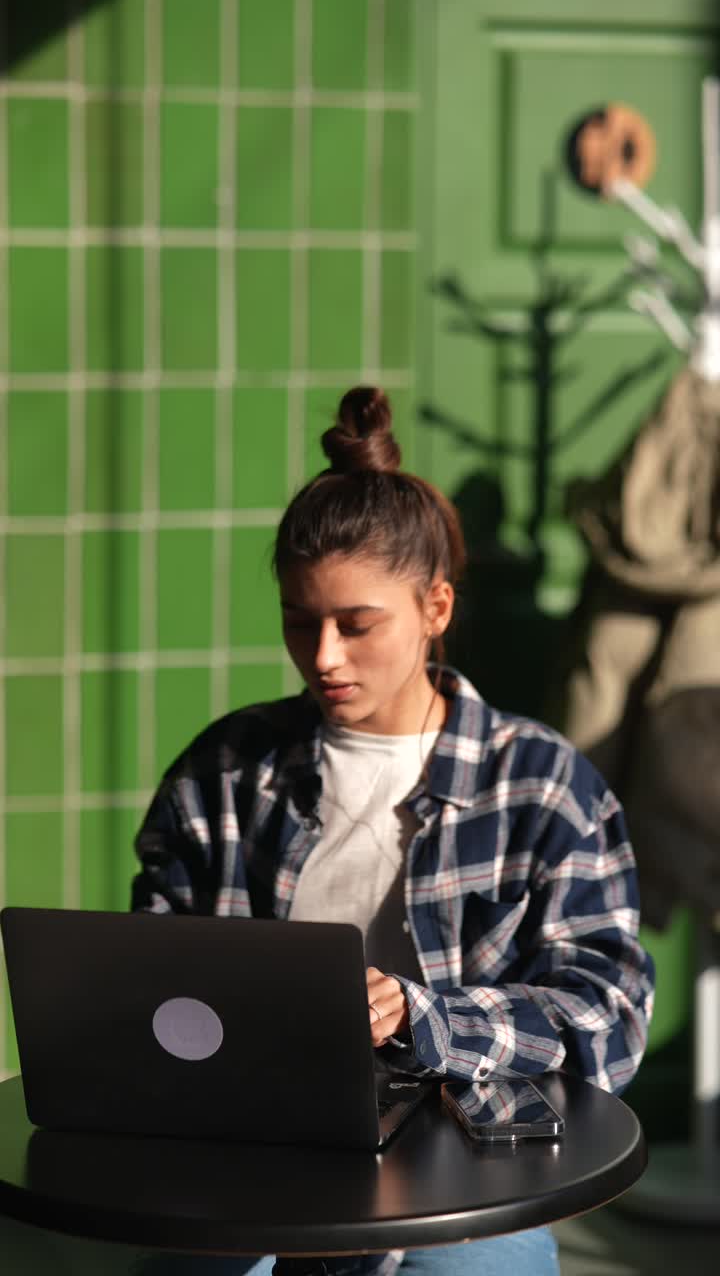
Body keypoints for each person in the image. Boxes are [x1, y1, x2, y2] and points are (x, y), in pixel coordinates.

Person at [131, 386, 655, 1276]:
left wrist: (426, 1019)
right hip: (254, 1153)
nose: (324, 656)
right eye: (301, 622)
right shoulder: (224, 773)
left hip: (472, 1161)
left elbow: (608, 1019)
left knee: (473, 1266)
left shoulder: (542, 785)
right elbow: (147, 977)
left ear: (436, 610)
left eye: (357, 624)